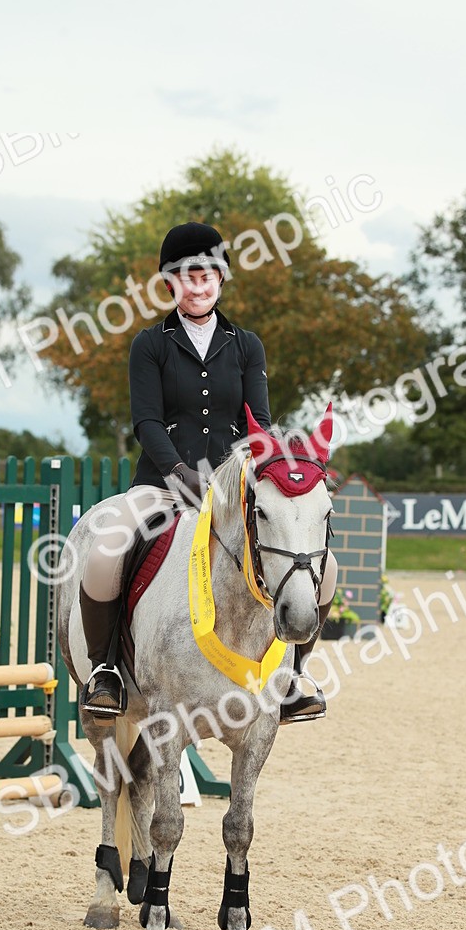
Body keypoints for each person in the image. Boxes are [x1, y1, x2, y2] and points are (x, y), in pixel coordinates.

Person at [78, 221, 337, 723]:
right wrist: (179, 473)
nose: (198, 287)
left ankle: (294, 676)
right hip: (162, 484)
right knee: (106, 553)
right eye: (187, 277)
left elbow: (257, 423)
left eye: (207, 276)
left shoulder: (246, 346)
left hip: (233, 488)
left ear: (221, 280)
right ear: (170, 283)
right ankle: (106, 668)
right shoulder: (149, 345)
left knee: (322, 568)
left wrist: (261, 472)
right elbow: (146, 421)